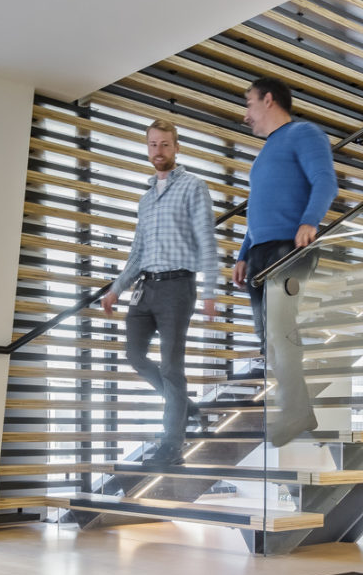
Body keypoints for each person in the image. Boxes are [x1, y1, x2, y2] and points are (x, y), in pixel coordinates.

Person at [101, 119, 217, 468]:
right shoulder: (146, 199)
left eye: (165, 144)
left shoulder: (194, 187)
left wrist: (210, 289)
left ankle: (172, 445)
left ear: (177, 147)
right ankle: (189, 408)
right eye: (153, 144)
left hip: (178, 288)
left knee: (171, 367)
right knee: (135, 356)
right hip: (145, 288)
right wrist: (116, 289)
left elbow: (207, 239)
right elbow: (137, 252)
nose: (159, 151)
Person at [230, 75, 336, 447]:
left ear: (269, 100)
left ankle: (293, 410)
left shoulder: (304, 134)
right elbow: (258, 210)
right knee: (268, 340)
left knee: (279, 329)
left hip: (289, 248)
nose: (246, 114)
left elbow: (325, 180)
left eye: (249, 103)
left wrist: (310, 221)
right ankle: (300, 409)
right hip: (260, 253)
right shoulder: (265, 154)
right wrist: (243, 254)